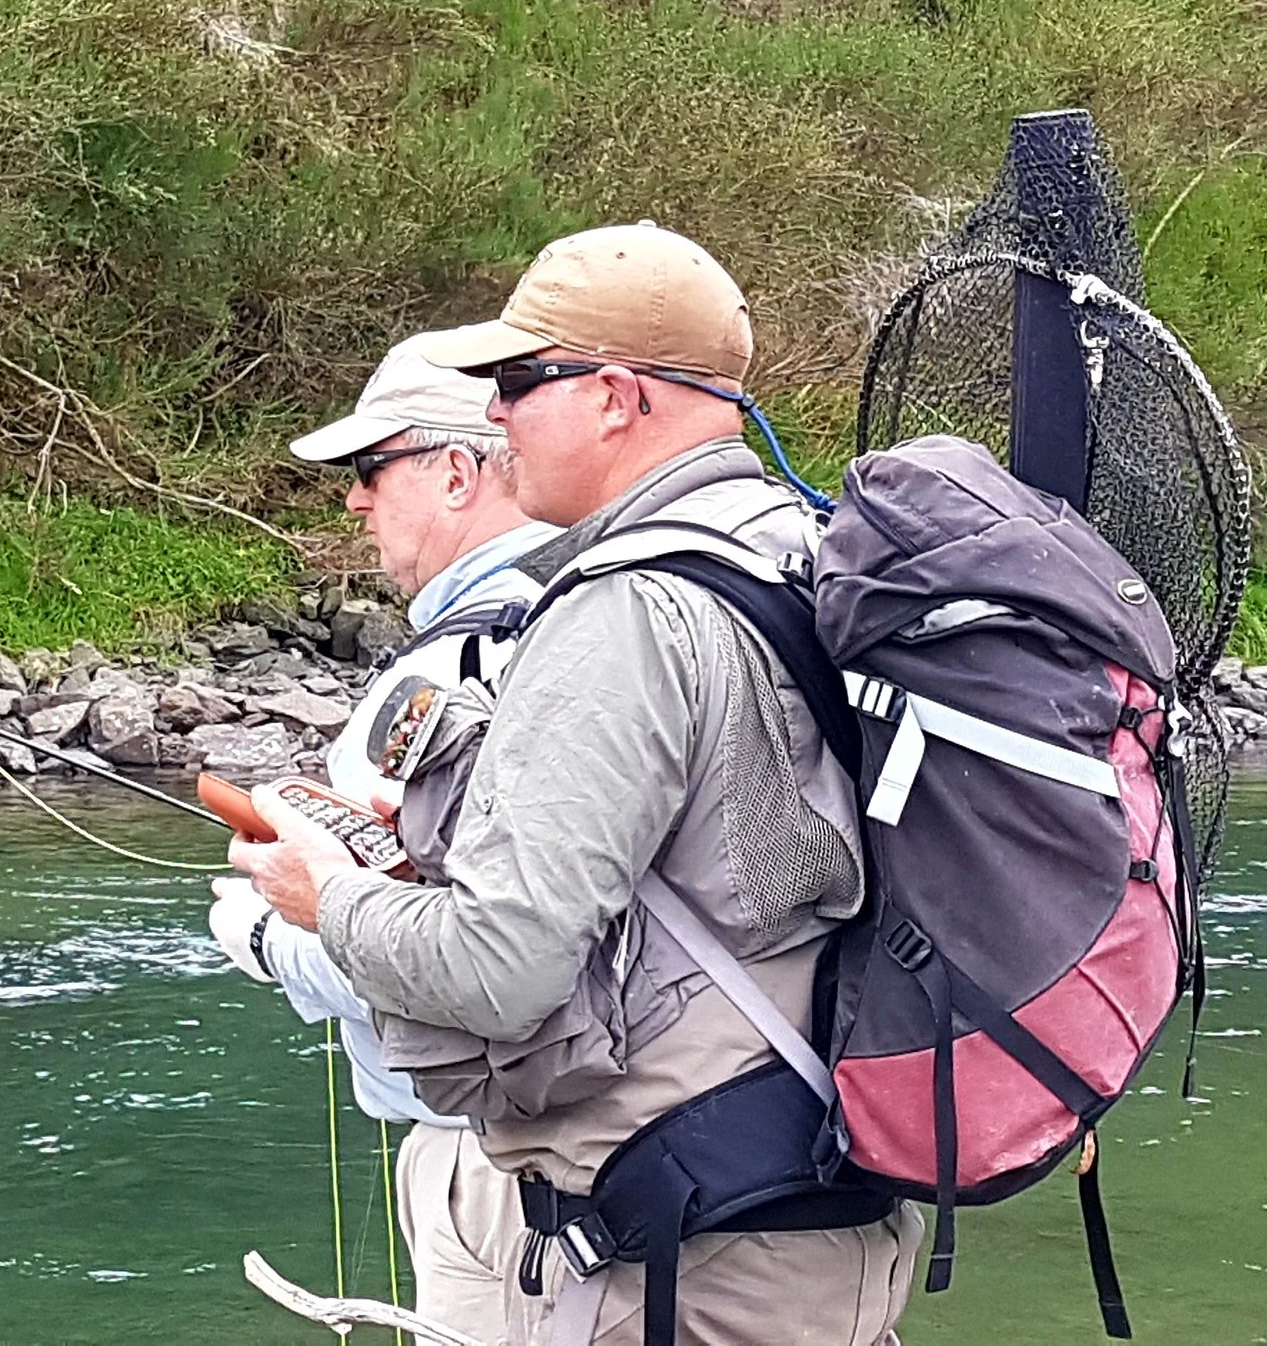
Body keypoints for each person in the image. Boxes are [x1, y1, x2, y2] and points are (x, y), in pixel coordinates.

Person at [230, 224, 925, 1345]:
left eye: (515, 381)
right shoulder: (795, 546)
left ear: (612, 395)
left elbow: (497, 970)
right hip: (807, 1210)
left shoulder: (626, 612)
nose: (494, 415)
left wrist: (328, 897)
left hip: (691, 1260)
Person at [206, 334, 559, 1340]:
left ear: (456, 469)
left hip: (499, 1170)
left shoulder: (442, 678)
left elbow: (417, 966)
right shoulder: (606, 616)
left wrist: (263, 934)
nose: (353, 501)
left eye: (371, 470)